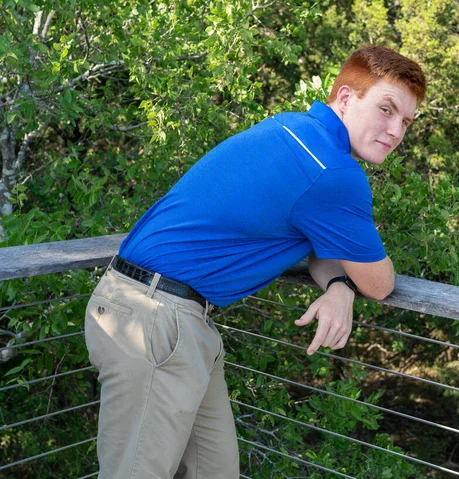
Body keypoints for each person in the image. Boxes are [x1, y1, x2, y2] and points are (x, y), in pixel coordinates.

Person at [84, 44, 426, 479]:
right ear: (344, 98)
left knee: (215, 470)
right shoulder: (335, 173)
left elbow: (319, 249)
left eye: (406, 122)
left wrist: (339, 288)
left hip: (165, 315)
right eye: (386, 109)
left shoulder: (293, 129)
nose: (396, 131)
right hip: (157, 320)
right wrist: (354, 280)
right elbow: (379, 283)